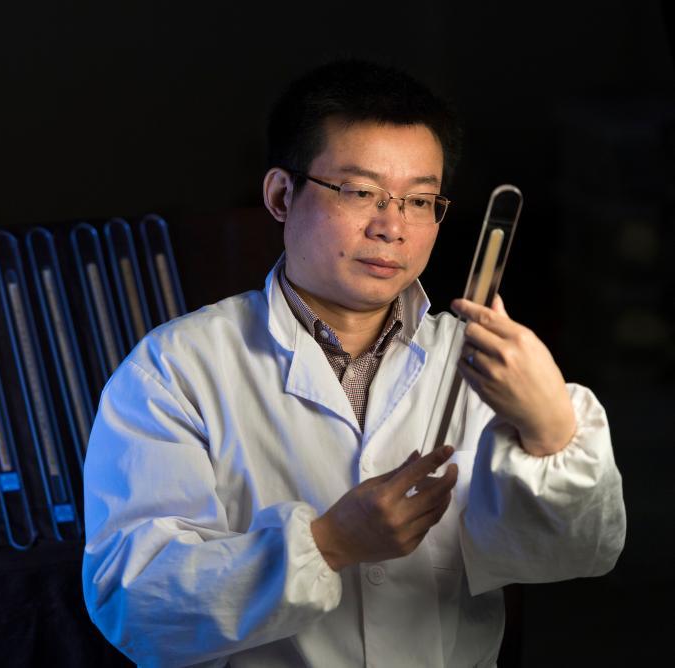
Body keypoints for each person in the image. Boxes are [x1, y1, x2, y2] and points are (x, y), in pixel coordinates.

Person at [81, 60, 626, 667]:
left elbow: (579, 553)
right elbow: (135, 605)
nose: (392, 227)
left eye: (420, 200)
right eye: (361, 192)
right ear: (281, 195)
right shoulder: (174, 371)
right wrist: (329, 544)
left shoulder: (480, 363)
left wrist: (551, 430)